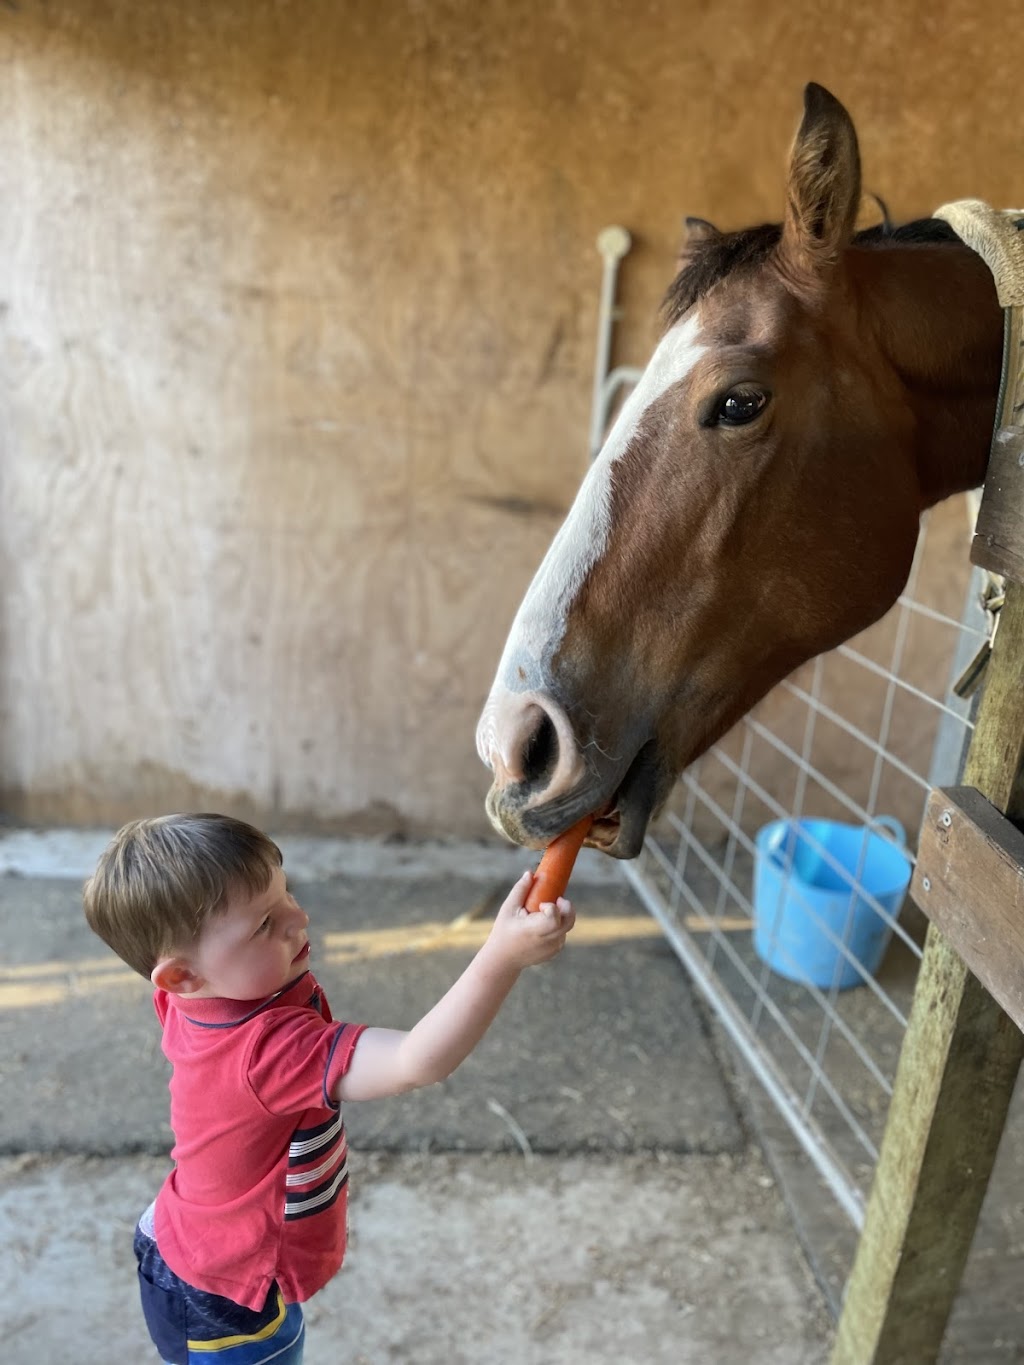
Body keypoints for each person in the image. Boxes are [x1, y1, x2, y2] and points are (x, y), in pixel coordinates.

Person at [83, 812, 575, 1365]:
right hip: (226, 1295)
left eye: (285, 892)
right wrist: (502, 956)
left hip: (192, 1243)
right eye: (264, 925)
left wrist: (261, 933)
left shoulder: (192, 1001)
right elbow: (419, 1059)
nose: (298, 917)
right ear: (181, 977)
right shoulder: (268, 1052)